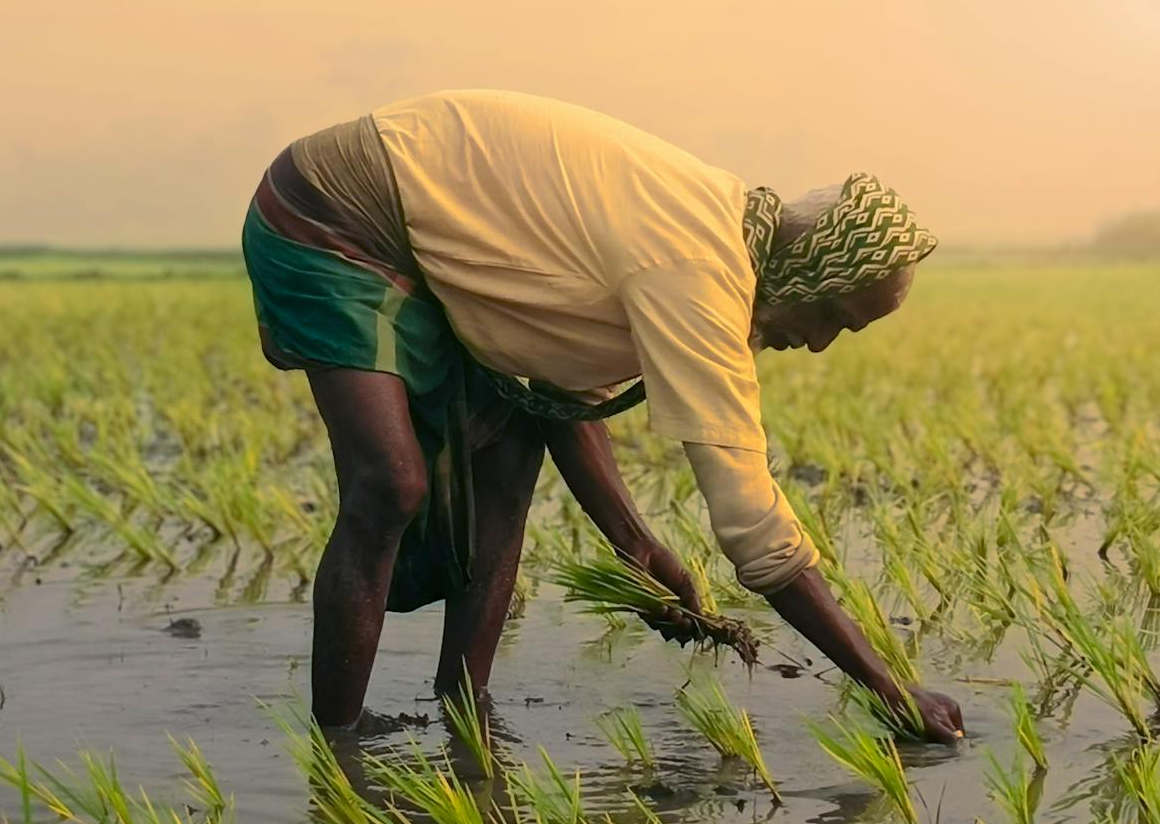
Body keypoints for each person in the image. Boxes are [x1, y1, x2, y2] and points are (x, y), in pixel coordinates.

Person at [241, 88, 963, 743]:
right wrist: (888, 687)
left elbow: (561, 394)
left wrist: (637, 546)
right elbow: (754, 528)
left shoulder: (715, 236)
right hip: (334, 210)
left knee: (512, 447)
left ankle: (464, 707)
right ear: (811, 273)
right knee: (390, 484)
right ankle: (338, 746)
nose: (818, 342)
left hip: (424, 244)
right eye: (833, 315)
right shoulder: (699, 271)